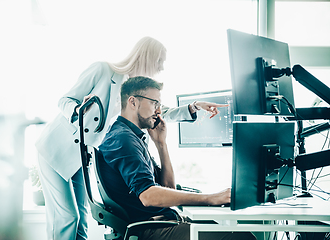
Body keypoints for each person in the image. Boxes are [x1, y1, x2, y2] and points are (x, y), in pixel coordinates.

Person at [35, 36, 228, 240]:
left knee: (82, 220)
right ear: (148, 57)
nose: (161, 68)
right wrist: (78, 110)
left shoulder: (134, 92)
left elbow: (161, 111)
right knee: (67, 218)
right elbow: (65, 99)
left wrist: (194, 106)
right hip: (55, 150)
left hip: (80, 158)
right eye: (159, 62)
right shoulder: (103, 71)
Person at [98, 76, 256, 240]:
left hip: (160, 222)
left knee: (235, 233)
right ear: (133, 102)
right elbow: (148, 196)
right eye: (154, 103)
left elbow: (168, 188)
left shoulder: (131, 136)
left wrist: (161, 144)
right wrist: (211, 198)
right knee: (240, 237)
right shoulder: (123, 140)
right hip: (149, 230)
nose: (158, 111)